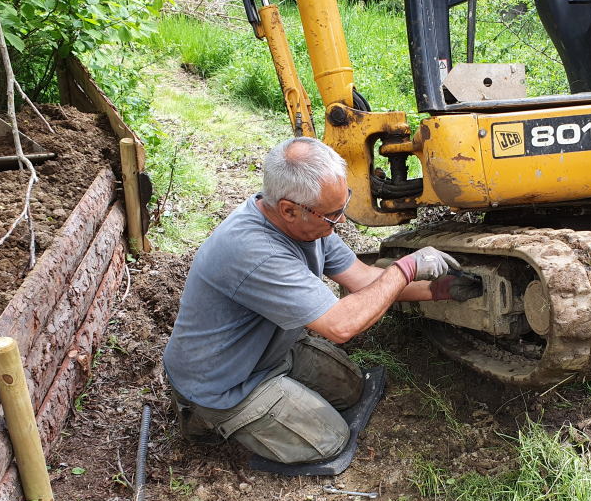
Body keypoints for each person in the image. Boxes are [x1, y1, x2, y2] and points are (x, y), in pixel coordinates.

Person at [162, 137, 481, 465]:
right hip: (223, 384)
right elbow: (340, 326)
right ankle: (202, 417)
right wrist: (407, 267)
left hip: (266, 352)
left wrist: (435, 291)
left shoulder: (306, 225)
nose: (340, 221)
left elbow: (365, 280)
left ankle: (278, 382)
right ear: (288, 209)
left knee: (352, 389)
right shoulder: (254, 251)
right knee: (331, 439)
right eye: (332, 215)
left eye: (343, 206)